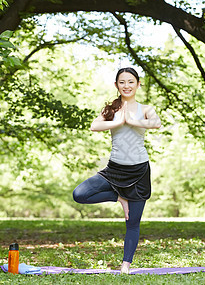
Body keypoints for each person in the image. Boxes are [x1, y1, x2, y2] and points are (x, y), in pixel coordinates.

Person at [72, 67, 161, 274]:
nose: (127, 86)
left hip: (139, 172)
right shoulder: (110, 110)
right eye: (122, 82)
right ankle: (119, 197)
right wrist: (118, 120)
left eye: (131, 82)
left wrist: (130, 120)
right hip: (114, 170)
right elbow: (94, 126)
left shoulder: (146, 109)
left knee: (132, 223)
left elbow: (156, 124)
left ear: (139, 84)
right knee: (80, 194)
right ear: (116, 85)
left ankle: (126, 265)